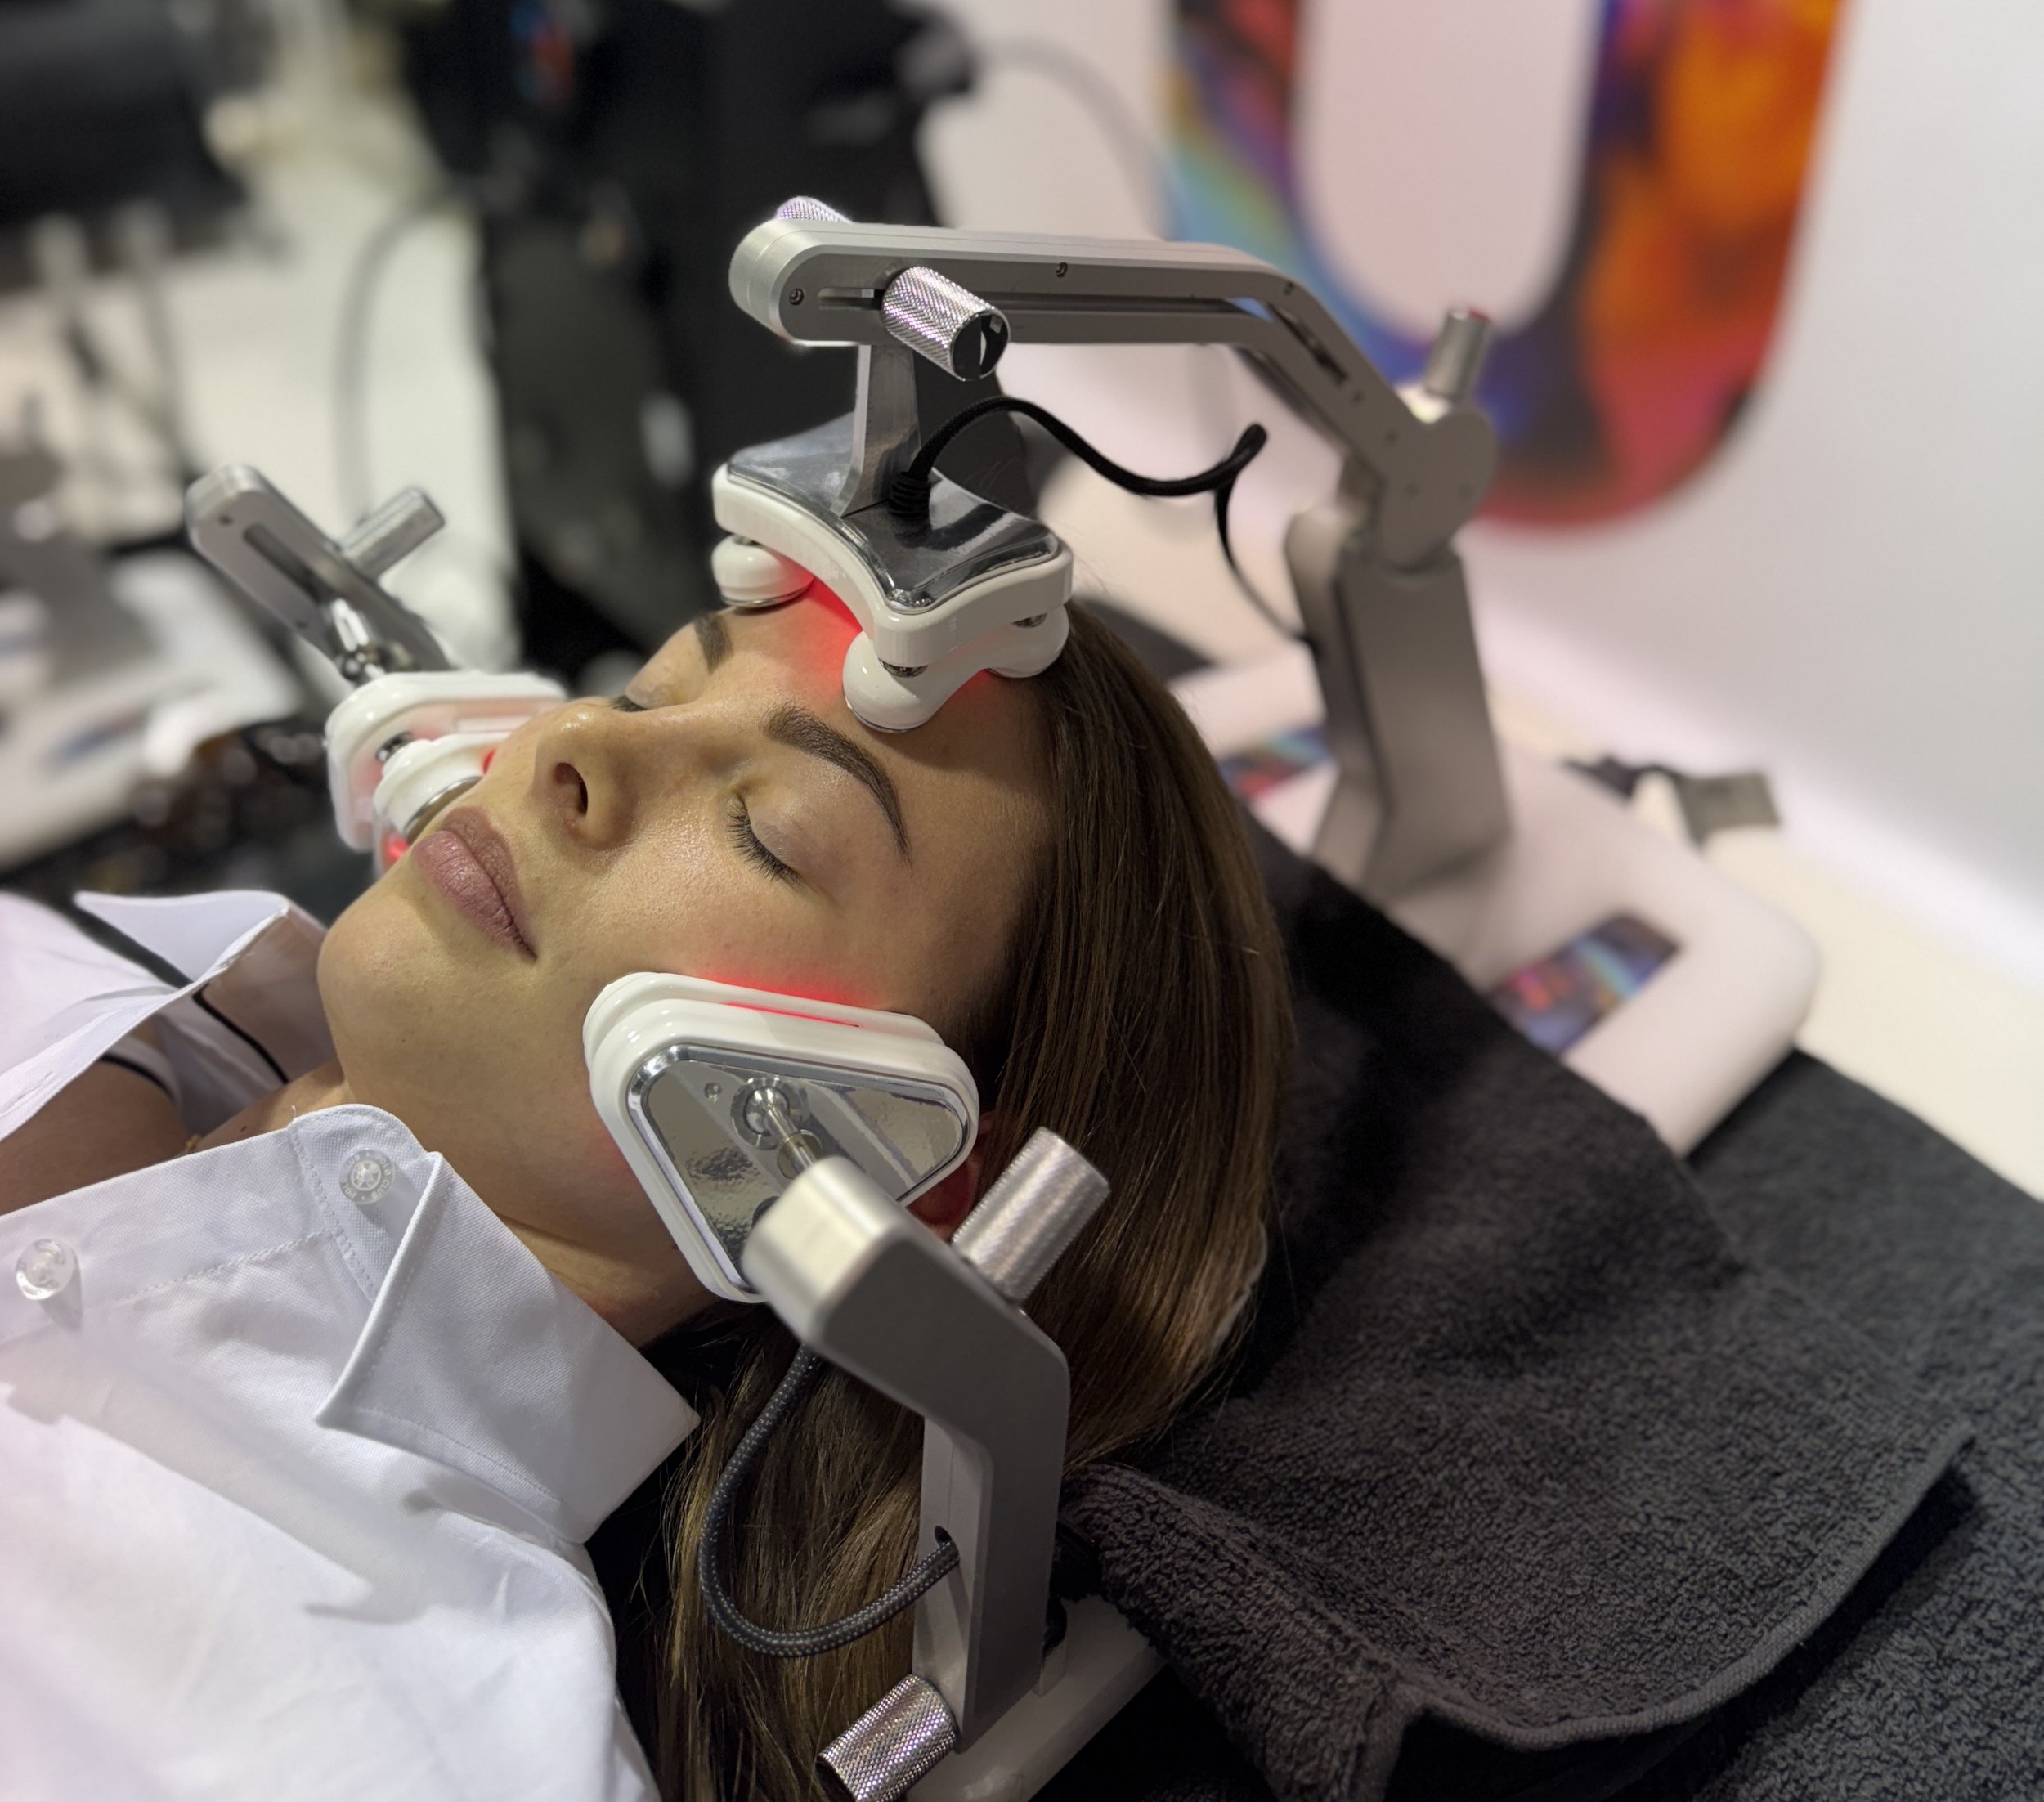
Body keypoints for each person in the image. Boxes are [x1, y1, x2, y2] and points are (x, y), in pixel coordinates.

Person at [0, 590, 1291, 1802]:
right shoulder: (60, 983)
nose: (568, 742)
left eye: (767, 832)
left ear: (914, 1171)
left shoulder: (441, 1739)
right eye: (641, 693)